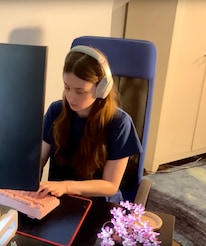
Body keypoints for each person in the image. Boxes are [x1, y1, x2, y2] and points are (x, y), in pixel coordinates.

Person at [37, 45, 142, 203]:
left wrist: (66, 186)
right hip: (58, 201)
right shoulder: (56, 111)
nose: (71, 97)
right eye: (67, 87)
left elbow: (110, 185)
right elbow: (40, 158)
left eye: (80, 91)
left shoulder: (119, 123)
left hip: (98, 205)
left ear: (102, 88)